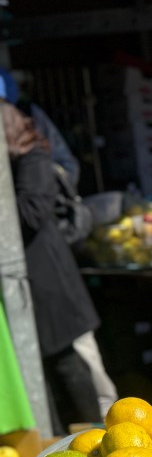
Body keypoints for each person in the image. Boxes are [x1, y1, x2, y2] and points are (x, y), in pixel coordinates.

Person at [2, 99, 103, 432]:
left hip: (47, 278)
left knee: (67, 364)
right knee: (35, 372)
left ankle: (92, 435)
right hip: (19, 285)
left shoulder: (33, 157)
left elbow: (30, 213)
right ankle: (52, 442)